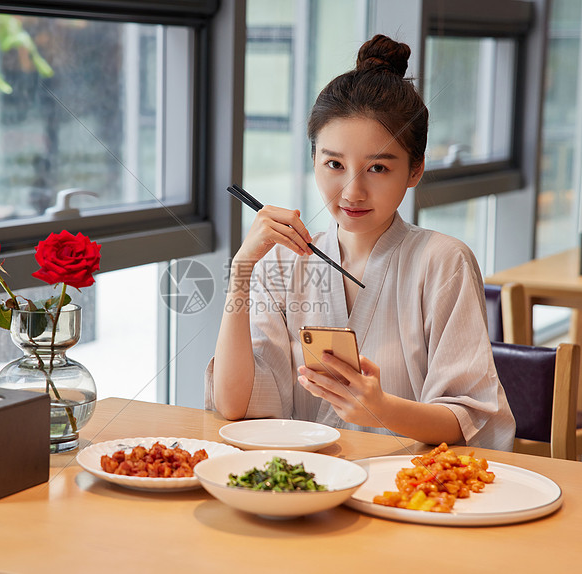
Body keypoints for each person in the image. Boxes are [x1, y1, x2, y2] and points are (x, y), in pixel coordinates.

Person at [205, 34, 516, 450]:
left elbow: (469, 419)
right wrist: (242, 270)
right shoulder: (279, 262)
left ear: (415, 169)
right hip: (304, 485)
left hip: (403, 492)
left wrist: (382, 408)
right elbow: (234, 404)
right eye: (334, 163)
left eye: (378, 168)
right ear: (313, 159)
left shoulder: (444, 262)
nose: (352, 192)